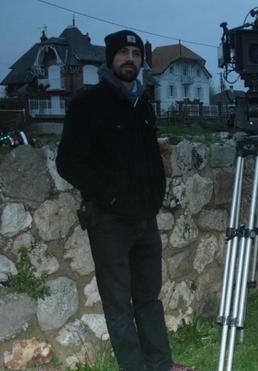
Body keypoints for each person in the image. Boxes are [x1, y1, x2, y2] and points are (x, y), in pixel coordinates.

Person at [56, 30, 193, 371]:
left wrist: (155, 195)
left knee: (149, 299)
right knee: (119, 306)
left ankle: (161, 363)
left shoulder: (142, 103)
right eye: (123, 53)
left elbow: (149, 155)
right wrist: (112, 196)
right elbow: (68, 162)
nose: (130, 58)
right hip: (109, 221)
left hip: (144, 218)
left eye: (135, 53)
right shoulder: (88, 103)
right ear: (110, 58)